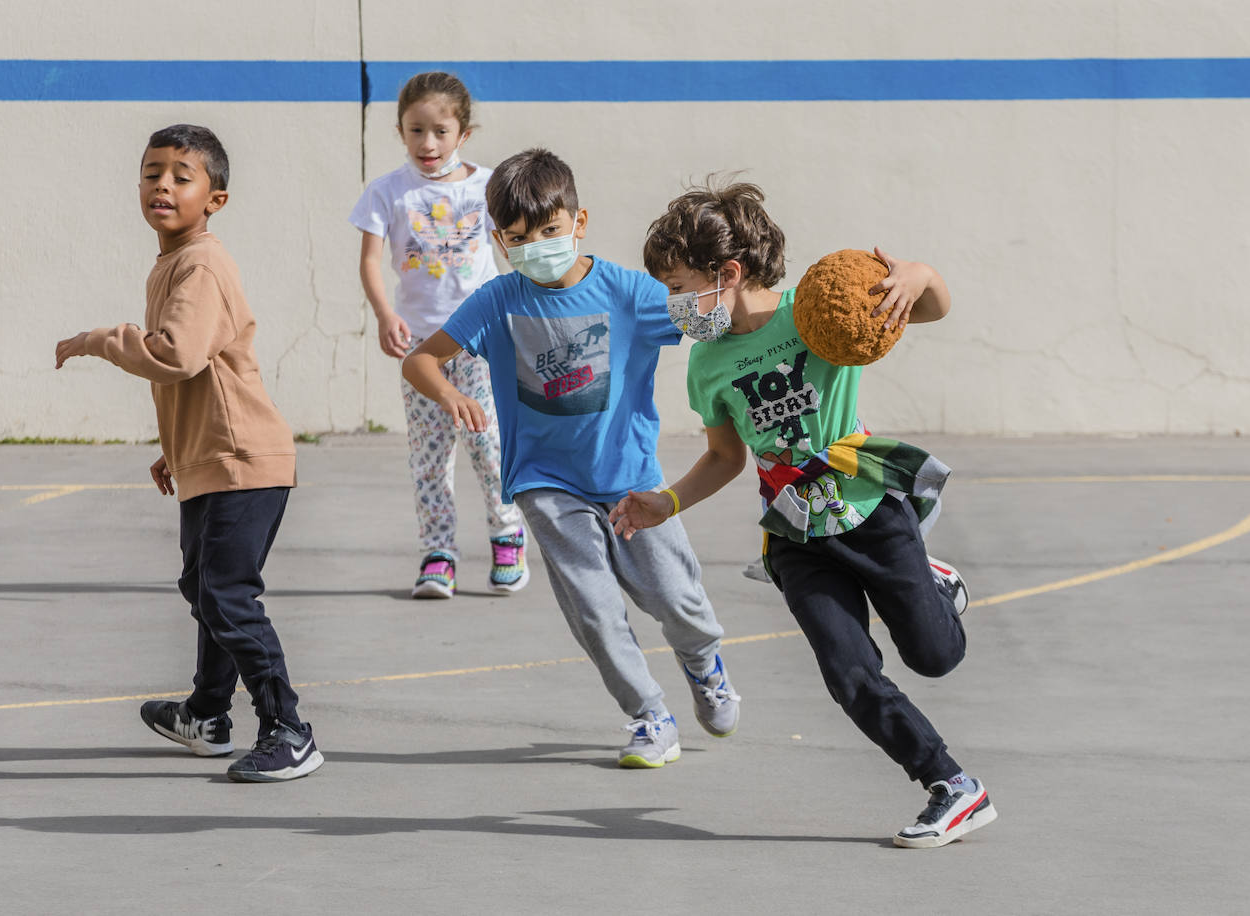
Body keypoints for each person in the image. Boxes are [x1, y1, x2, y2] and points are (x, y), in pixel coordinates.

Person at [613, 181, 995, 846]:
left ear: (728, 273)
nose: (674, 305)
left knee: (935, 657)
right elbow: (725, 457)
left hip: (868, 507)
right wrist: (666, 502)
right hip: (794, 531)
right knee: (849, 675)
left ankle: (934, 585)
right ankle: (952, 785)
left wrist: (918, 275)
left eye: (679, 287)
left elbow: (931, 306)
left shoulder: (818, 309)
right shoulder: (707, 363)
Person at [402, 148, 740, 768]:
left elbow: (711, 323)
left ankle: (703, 665)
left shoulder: (630, 292)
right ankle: (649, 715)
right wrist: (450, 394)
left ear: (578, 222)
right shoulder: (497, 301)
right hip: (545, 481)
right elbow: (420, 359)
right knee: (594, 608)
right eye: (518, 238)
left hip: (631, 479)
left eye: (549, 231)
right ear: (499, 240)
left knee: (676, 599)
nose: (535, 247)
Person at [54, 124, 323, 783]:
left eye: (181, 176)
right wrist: (178, 448)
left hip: (243, 460)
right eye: (152, 174)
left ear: (215, 199)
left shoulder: (201, 264)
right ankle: (206, 716)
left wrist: (97, 339)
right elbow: (203, 377)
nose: (163, 186)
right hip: (213, 458)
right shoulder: (174, 263)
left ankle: (289, 731)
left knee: (227, 594)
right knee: (205, 590)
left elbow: (177, 356)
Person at [349, 71, 527, 599]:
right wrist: (385, 314)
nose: (428, 143)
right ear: (400, 131)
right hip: (422, 348)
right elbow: (370, 260)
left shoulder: (488, 187)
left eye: (441, 131)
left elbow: (513, 251)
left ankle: (507, 536)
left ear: (463, 134)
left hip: (482, 339)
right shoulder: (387, 192)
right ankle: (438, 553)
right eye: (416, 130)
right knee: (429, 455)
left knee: (488, 444)